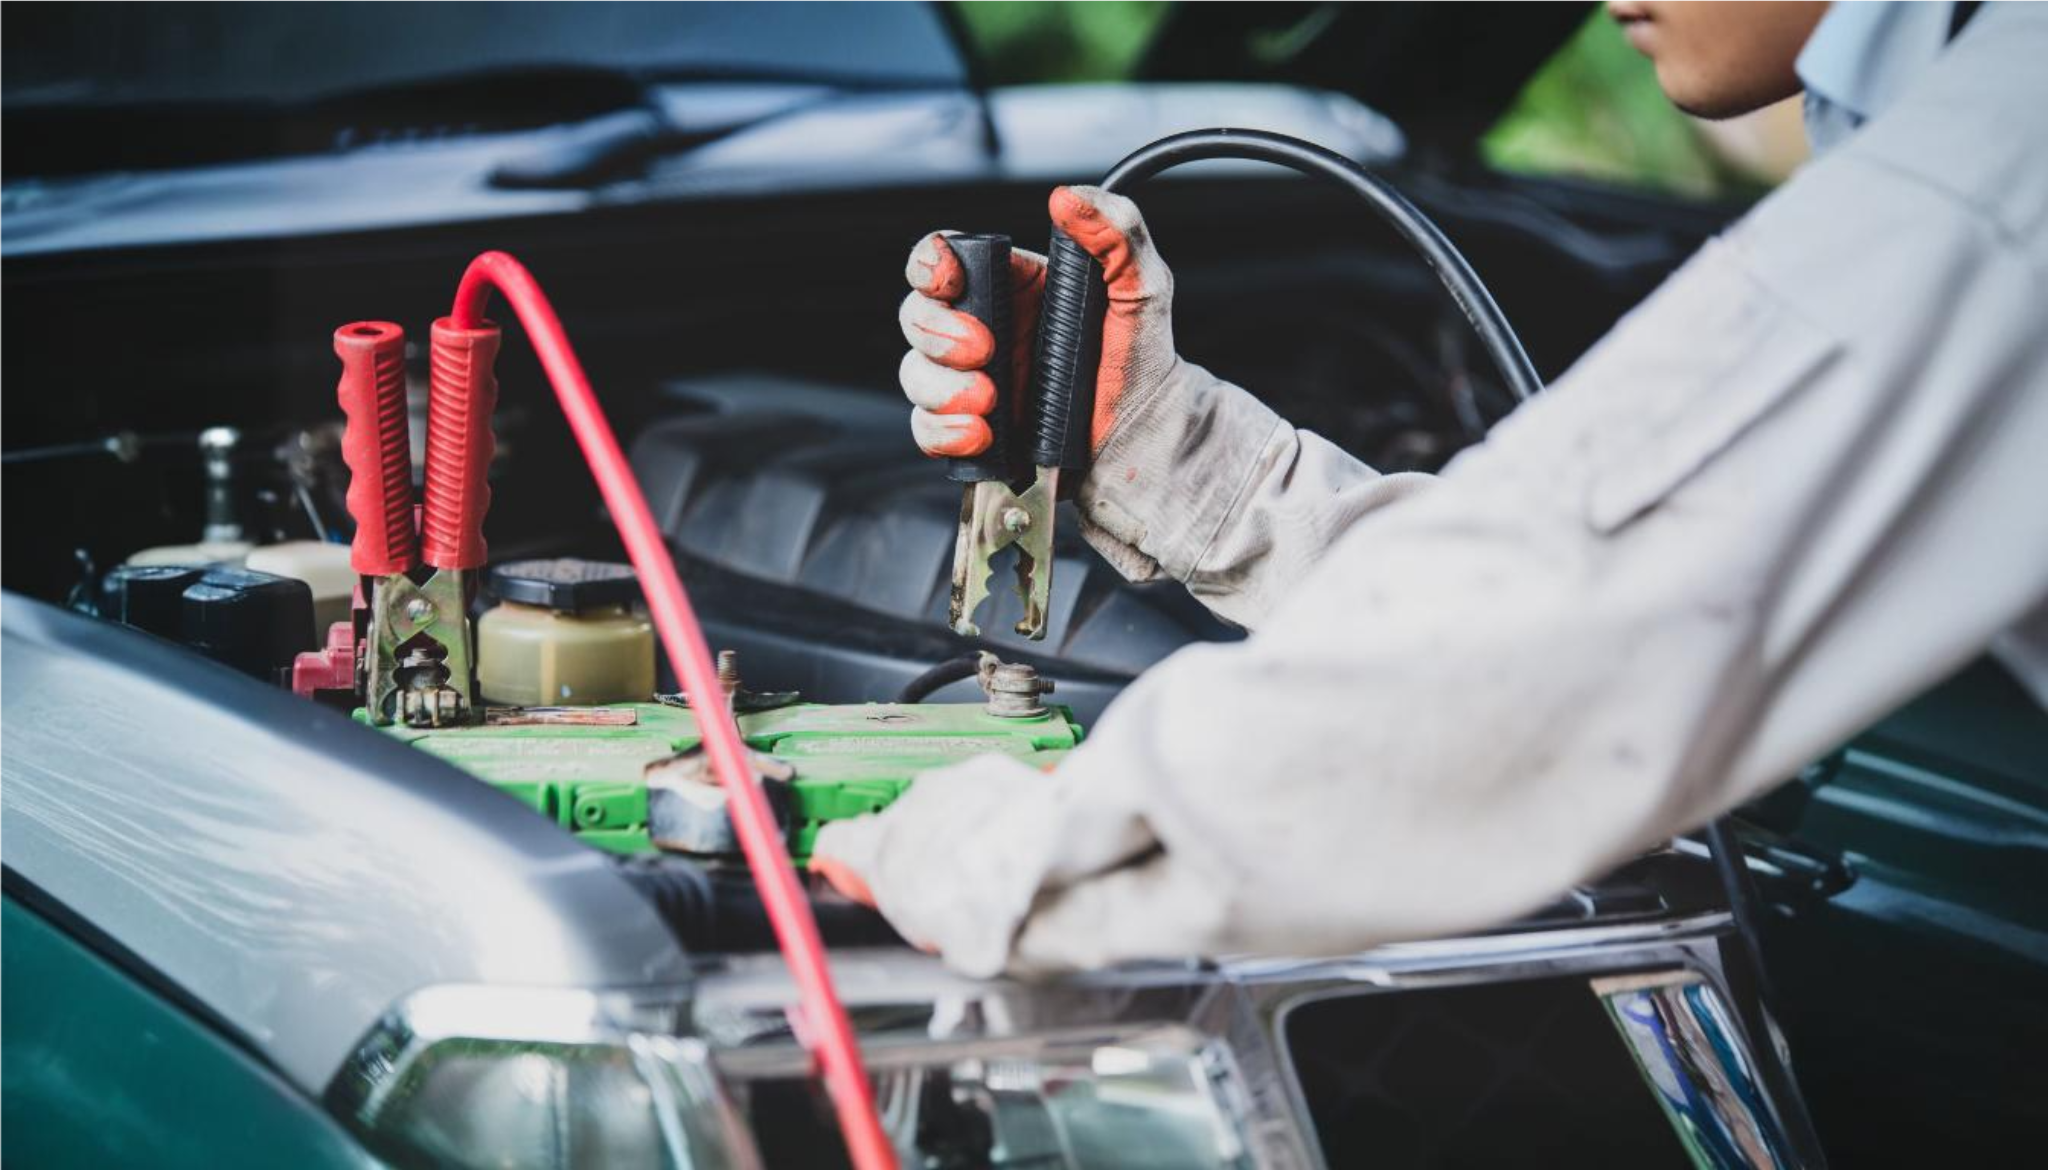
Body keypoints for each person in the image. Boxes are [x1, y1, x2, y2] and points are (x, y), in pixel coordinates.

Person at [810, 0, 2048, 978]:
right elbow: (1648, 601)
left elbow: (1576, 635)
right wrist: (1180, 463)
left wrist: (1014, 856)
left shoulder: (2003, 151)